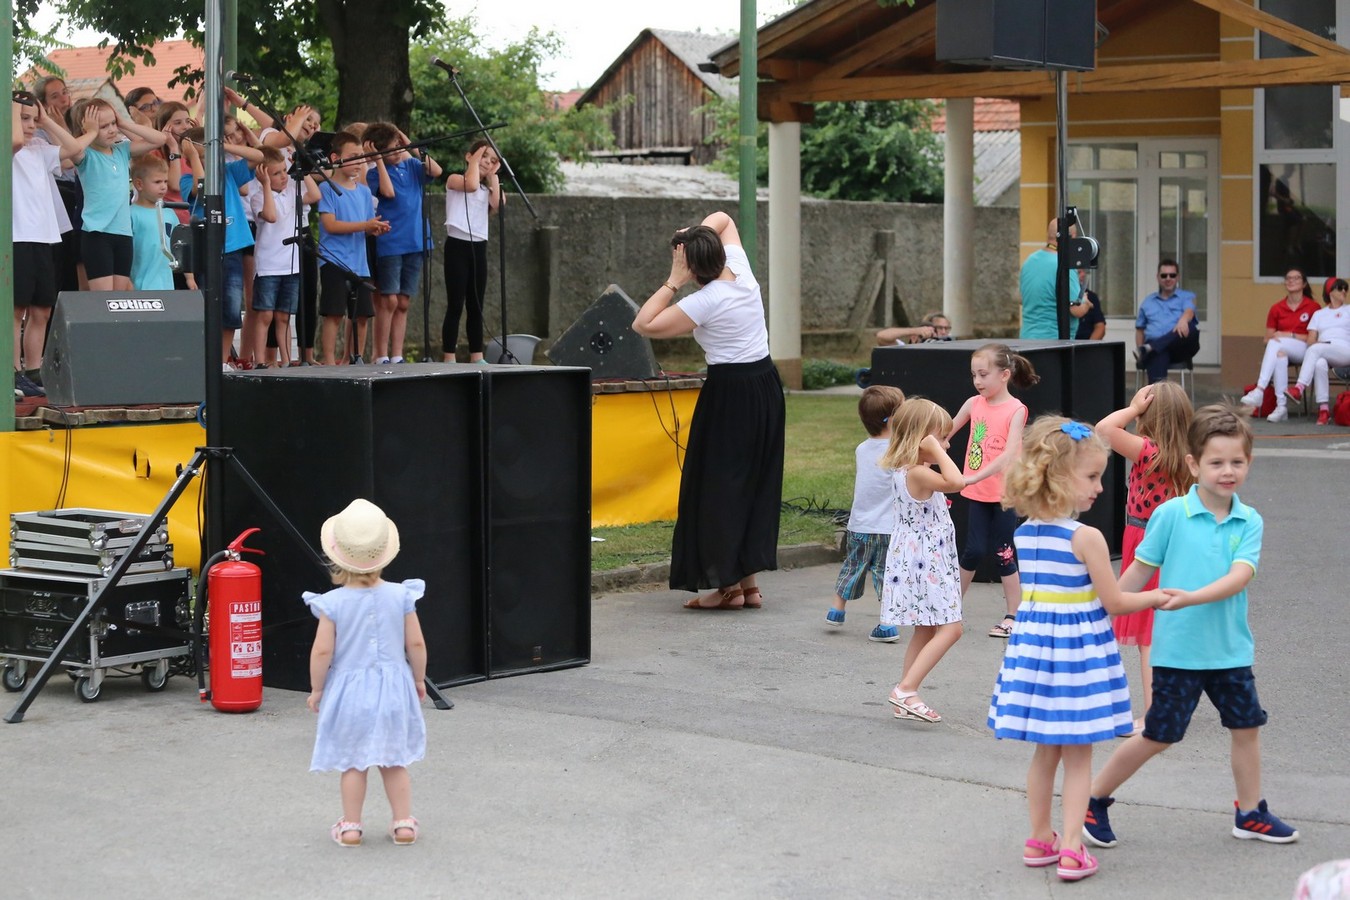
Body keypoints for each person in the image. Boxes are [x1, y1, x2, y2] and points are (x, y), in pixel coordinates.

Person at [1083, 405, 1300, 850]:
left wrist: (1188, 597)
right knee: (1160, 734)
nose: (1227, 471)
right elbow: (1137, 575)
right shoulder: (1169, 516)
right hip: (1178, 652)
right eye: (1216, 462)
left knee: (1246, 728)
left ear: (1249, 462)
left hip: (1230, 651)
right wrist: (1102, 612)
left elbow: (1240, 576)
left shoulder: (1249, 520)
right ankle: (1094, 800)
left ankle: (1250, 811)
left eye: (1237, 462)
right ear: (1193, 464)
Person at [988, 416, 1168, 882]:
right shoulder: (1085, 537)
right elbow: (1114, 601)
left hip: (1035, 653)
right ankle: (1071, 847)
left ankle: (1039, 837)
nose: (1101, 488)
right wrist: (1157, 596)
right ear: (1059, 476)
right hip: (1077, 657)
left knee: (1044, 752)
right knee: (1080, 756)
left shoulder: (1025, 533)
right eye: (1091, 476)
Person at [632, 210, 786, 610]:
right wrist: (692, 233)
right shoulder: (741, 270)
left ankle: (726, 587)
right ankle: (747, 585)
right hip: (766, 387)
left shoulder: (705, 300)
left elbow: (643, 324)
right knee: (751, 481)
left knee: (719, 489)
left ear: (692, 270)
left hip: (731, 395)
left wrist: (673, 279)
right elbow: (723, 218)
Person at [304, 498, 427, 847]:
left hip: (350, 693)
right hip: (393, 689)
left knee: (354, 763)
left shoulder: (332, 603)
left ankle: (352, 827)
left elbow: (323, 651)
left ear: (336, 555)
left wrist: (317, 689)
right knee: (394, 760)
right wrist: (418, 679)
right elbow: (415, 645)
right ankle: (403, 824)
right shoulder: (401, 595)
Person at [1095, 382, 1194, 733]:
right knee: (1165, 627)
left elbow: (1104, 430)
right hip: (1179, 542)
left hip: (1145, 539)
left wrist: (1133, 409)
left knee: (1148, 635)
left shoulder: (1148, 450)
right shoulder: (1188, 454)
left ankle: (1156, 713)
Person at [879, 397, 966, 723]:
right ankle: (906, 689)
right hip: (926, 563)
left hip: (919, 559)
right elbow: (957, 482)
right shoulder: (918, 472)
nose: (946, 444)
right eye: (941, 438)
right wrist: (937, 450)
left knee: (926, 630)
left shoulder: (911, 471)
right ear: (921, 440)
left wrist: (934, 447)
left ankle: (905, 691)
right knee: (952, 628)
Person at [948, 343, 1038, 638]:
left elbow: (1009, 455)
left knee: (1003, 552)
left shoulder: (1016, 410)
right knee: (972, 550)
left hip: (1004, 494)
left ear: (1004, 375)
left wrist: (972, 477)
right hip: (977, 492)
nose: (977, 381)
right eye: (974, 375)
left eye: (983, 374)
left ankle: (1014, 614)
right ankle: (949, 610)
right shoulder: (973, 404)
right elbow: (944, 431)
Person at [11, 91, 80, 398]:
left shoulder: (39, 147)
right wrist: (14, 111)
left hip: (43, 237)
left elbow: (75, 148)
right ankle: (11, 370)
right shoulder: (8, 146)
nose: (29, 126)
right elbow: (13, 140)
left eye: (32, 119)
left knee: (41, 308)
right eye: (23, 119)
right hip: (16, 236)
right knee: (16, 309)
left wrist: (47, 119)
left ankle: (32, 369)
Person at [825, 385, 906, 634]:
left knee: (853, 567)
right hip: (888, 528)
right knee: (886, 574)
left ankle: (837, 609)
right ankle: (887, 623)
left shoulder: (862, 449)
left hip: (859, 524)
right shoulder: (899, 450)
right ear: (892, 419)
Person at [67, 98, 167, 291]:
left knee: (119, 299)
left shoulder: (121, 150)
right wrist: (92, 132)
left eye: (113, 123)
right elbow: (74, 148)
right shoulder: (85, 154)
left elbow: (159, 139)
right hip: (97, 234)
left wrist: (123, 123)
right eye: (104, 126)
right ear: (86, 128)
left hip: (123, 233)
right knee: (103, 301)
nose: (112, 130)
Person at [363, 122, 442, 364]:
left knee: (404, 301)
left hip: (416, 240)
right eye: (390, 149)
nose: (396, 152)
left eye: (397, 146)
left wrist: (410, 146)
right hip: (392, 242)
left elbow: (436, 171)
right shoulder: (375, 173)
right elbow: (388, 192)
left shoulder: (411, 165)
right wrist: (377, 160)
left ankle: (397, 354)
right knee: (389, 299)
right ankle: (381, 354)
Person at [317, 130, 388, 366]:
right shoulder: (327, 189)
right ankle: (328, 360)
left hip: (360, 263)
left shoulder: (365, 192)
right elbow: (330, 224)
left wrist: (374, 228)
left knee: (362, 315)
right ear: (336, 158)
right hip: (334, 261)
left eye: (362, 156)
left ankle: (353, 359)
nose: (360, 162)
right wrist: (365, 225)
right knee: (334, 314)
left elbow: (365, 225)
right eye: (354, 156)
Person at [248, 145, 321, 368]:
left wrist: (303, 170)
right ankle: (260, 360)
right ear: (263, 176)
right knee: (265, 315)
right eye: (276, 173)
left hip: (291, 264)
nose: (283, 176)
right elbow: (270, 216)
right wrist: (266, 186)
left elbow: (315, 195)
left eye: (283, 171)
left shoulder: (292, 190)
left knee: (283, 316)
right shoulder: (258, 197)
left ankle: (287, 361)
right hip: (269, 266)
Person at [443, 141, 501, 363]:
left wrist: (493, 176)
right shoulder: (456, 179)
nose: (488, 161)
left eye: (492, 159)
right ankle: (449, 355)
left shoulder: (487, 189)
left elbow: (498, 204)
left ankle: (477, 356)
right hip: (457, 246)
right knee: (455, 303)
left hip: (478, 247)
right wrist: (475, 162)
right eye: (484, 156)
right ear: (469, 156)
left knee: (476, 304)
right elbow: (472, 185)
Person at [1237, 267, 1319, 423]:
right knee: (1279, 355)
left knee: (1278, 343)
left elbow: (1313, 339)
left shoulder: (1313, 307)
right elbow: (1267, 339)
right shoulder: (1277, 308)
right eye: (1288, 278)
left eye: (1296, 278)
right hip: (1282, 349)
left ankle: (1260, 389)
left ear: (1304, 284)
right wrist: (1280, 339)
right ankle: (1281, 407)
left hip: (1306, 350)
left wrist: (1288, 335)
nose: (1291, 281)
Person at [1285, 278, 1350, 426]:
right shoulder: (1319, 314)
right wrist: (1319, 345)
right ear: (1330, 291)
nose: (1344, 291)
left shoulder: (1349, 310)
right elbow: (1310, 340)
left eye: (1346, 288)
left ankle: (1299, 388)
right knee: (1319, 363)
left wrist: (1318, 346)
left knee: (1316, 350)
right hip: (1325, 350)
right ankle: (1324, 410)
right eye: (1340, 288)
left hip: (1346, 350)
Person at [1135, 259, 1200, 383]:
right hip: (1158, 351)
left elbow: (1189, 311)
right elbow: (1140, 330)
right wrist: (1140, 351)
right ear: (1158, 277)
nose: (1168, 278)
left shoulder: (1187, 296)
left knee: (1191, 327)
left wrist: (1183, 320)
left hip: (1181, 347)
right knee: (1157, 353)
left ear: (1177, 277)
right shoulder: (1148, 302)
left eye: (1172, 275)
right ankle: (1157, 400)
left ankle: (1151, 347)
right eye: (1164, 275)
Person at [1019, 218, 1084, 339]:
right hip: (1054, 341)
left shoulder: (1029, 261)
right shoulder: (1063, 265)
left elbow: (1022, 299)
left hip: (1026, 338)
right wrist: (1086, 302)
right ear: (1072, 237)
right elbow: (1076, 310)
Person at [127, 155, 175, 291]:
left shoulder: (170, 213)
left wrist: (189, 277)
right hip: (138, 285)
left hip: (167, 285)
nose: (163, 187)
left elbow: (179, 247)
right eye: (157, 182)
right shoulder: (130, 213)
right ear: (139, 184)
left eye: (165, 181)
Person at [875, 312, 952, 345]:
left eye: (946, 328)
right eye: (939, 328)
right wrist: (915, 331)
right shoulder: (906, 349)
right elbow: (882, 336)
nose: (943, 332)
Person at [1074, 271, 1106, 341]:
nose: (1083, 274)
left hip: (1085, 345)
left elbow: (1100, 327)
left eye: (1084, 271)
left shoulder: (1091, 297)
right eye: (1079, 272)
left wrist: (1088, 347)